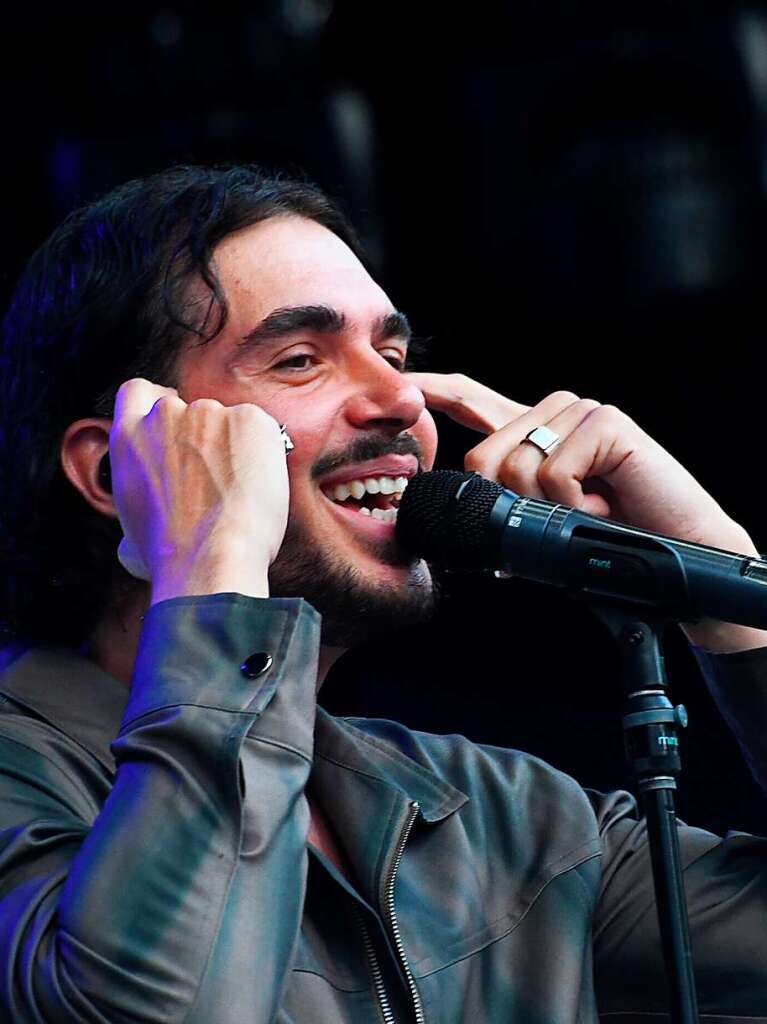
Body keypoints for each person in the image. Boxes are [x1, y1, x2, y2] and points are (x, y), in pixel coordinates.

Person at [0, 164, 765, 1023]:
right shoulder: (19, 778)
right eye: (299, 359)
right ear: (114, 470)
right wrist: (215, 574)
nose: (401, 398)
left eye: (393, 354)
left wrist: (722, 578)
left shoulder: (505, 824)